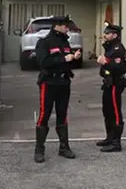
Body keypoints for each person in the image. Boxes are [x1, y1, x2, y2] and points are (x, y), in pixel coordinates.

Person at [33, 15, 81, 163]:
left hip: (64, 82)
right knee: (44, 114)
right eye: (65, 25)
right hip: (49, 82)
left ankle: (64, 147)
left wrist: (74, 57)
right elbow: (43, 62)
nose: (67, 28)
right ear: (57, 25)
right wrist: (63, 59)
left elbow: (67, 61)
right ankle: (39, 149)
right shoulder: (44, 42)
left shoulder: (65, 42)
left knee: (63, 114)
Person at [96, 23, 126, 153]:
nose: (105, 35)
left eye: (108, 33)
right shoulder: (109, 48)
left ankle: (116, 142)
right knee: (107, 111)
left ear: (114, 35)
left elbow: (120, 68)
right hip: (108, 83)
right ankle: (109, 137)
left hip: (115, 84)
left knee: (115, 112)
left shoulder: (117, 49)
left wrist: (105, 63)